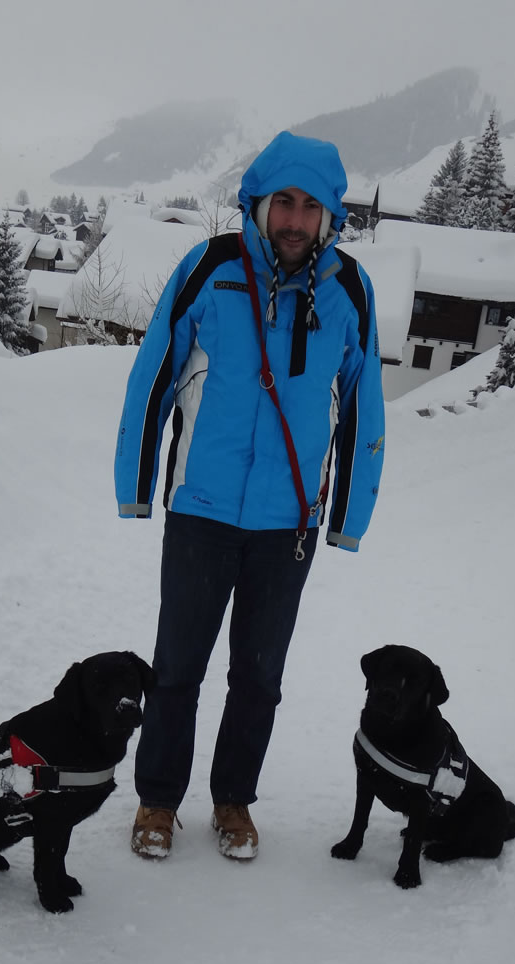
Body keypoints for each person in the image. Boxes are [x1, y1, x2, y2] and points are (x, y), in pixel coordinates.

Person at [114, 130, 385, 861]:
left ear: (330, 217)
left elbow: (364, 407)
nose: (295, 220)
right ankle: (158, 799)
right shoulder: (209, 268)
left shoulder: (350, 291)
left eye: (310, 207)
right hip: (200, 512)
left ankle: (233, 800)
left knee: (259, 678)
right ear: (259, 204)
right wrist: (138, 485)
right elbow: (154, 375)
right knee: (177, 669)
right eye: (283, 203)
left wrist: (346, 516)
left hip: (286, 526)